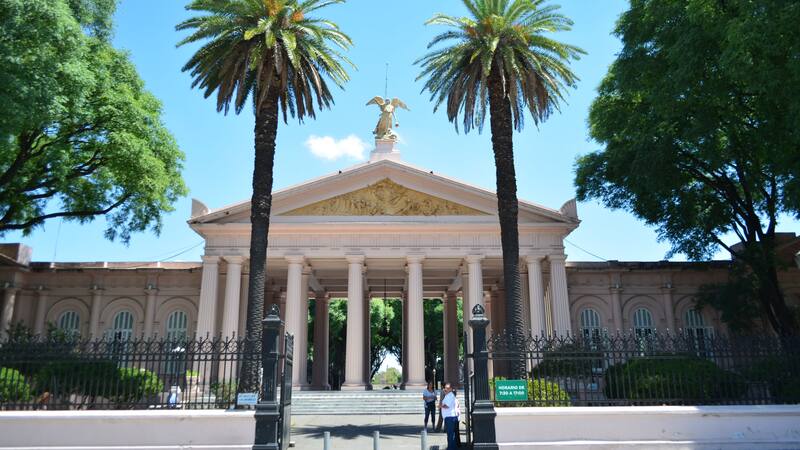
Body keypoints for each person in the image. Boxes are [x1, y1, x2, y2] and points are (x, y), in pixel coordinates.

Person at [441, 382, 459, 450]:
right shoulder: (448, 395)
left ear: (451, 389)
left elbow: (447, 406)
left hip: (450, 417)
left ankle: (451, 448)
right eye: (445, 388)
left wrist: (440, 406)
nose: (445, 389)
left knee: (450, 435)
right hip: (449, 417)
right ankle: (452, 447)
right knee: (451, 434)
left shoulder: (450, 395)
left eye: (447, 388)